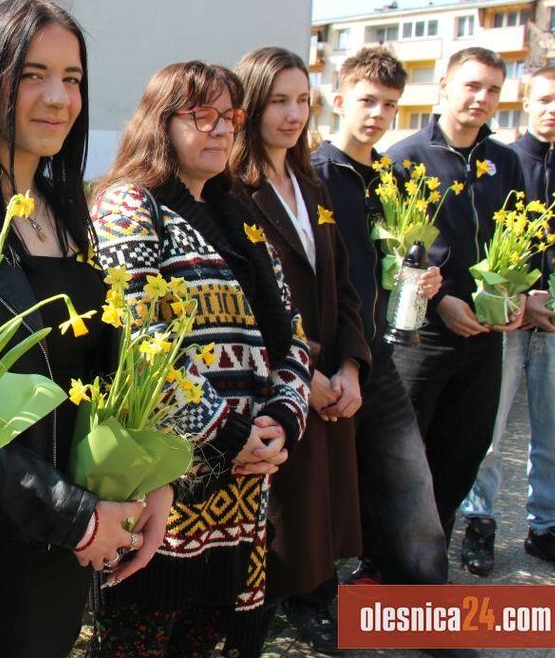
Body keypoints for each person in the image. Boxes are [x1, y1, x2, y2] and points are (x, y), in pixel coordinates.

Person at [0, 0, 160, 658]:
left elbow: (104, 372)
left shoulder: (71, 219)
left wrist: (151, 478)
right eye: (33, 75)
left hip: (67, 546)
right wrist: (73, 518)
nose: (58, 99)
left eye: (72, 79)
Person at [90, 60, 311, 657]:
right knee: (138, 642)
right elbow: (139, 338)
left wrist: (282, 422)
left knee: (201, 641)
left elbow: (291, 334)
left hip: (241, 495)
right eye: (201, 115)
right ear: (161, 123)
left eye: (230, 117)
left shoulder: (242, 215)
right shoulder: (129, 206)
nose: (219, 130)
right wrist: (229, 433)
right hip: (168, 483)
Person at [229, 46, 370, 654]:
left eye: (303, 100)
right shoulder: (233, 191)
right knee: (280, 514)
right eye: (279, 100)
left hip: (330, 379)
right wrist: (302, 372)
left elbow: (342, 287)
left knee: (318, 512)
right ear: (253, 104)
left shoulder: (313, 184)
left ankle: (312, 603)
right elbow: (244, 302)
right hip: (277, 381)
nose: (293, 114)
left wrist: (350, 367)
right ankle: (261, 619)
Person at [310, 47, 448, 590]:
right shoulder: (315, 175)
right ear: (341, 100)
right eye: (367, 100)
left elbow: (394, 265)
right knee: (323, 490)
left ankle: (428, 608)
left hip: (378, 355)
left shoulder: (392, 180)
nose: (377, 114)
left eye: (389, 106)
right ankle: (314, 599)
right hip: (325, 355)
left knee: (412, 480)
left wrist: (424, 284)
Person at [384, 47, 525, 558]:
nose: (482, 98)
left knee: (461, 453)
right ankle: (385, 561)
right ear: (444, 85)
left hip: (485, 342)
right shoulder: (404, 159)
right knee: (403, 456)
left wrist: (517, 297)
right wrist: (441, 301)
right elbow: (393, 251)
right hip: (422, 338)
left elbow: (518, 239)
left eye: (492, 89)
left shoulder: (505, 162)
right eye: (472, 85)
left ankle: (430, 557)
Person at [459, 65, 555, 576]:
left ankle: (548, 525)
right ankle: (479, 520)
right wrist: (518, 297)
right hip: (506, 322)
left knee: (553, 431)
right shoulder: (506, 163)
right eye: (546, 99)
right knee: (488, 432)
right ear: (527, 102)